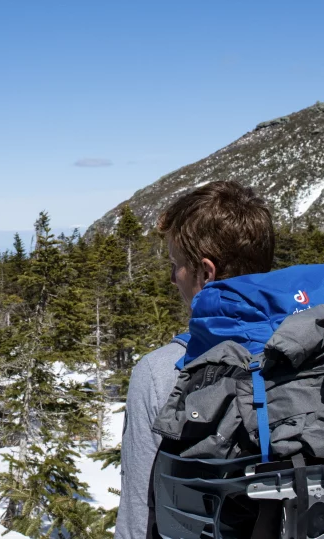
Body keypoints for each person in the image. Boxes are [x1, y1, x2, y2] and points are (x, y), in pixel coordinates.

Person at [115, 181, 275, 539]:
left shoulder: (163, 371)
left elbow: (140, 515)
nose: (173, 278)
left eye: (176, 265)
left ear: (206, 272)